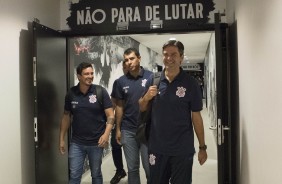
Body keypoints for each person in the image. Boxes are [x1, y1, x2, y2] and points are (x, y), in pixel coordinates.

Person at [139, 40, 208, 184]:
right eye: (165, 55)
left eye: (173, 55)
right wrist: (146, 97)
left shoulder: (190, 83)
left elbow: (196, 116)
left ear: (181, 58)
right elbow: (141, 107)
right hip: (157, 148)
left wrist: (202, 147)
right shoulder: (154, 79)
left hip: (182, 149)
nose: (169, 58)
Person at [59, 62, 115, 184]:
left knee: (96, 174)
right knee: (74, 175)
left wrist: (106, 135)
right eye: (86, 74)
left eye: (91, 73)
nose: (90, 76)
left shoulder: (100, 91)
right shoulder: (71, 94)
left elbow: (111, 115)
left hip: (96, 142)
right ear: (79, 76)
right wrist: (62, 138)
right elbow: (66, 116)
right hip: (77, 143)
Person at [114, 48, 152, 184]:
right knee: (132, 169)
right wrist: (118, 129)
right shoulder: (121, 82)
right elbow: (119, 106)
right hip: (128, 130)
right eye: (126, 60)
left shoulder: (151, 77)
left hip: (148, 130)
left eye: (131, 58)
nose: (129, 62)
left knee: (150, 169)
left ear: (139, 58)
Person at [109, 61, 128, 184]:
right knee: (115, 145)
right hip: (120, 121)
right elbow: (113, 103)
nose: (126, 68)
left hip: (138, 122)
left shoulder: (145, 79)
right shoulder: (118, 82)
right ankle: (120, 170)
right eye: (124, 66)